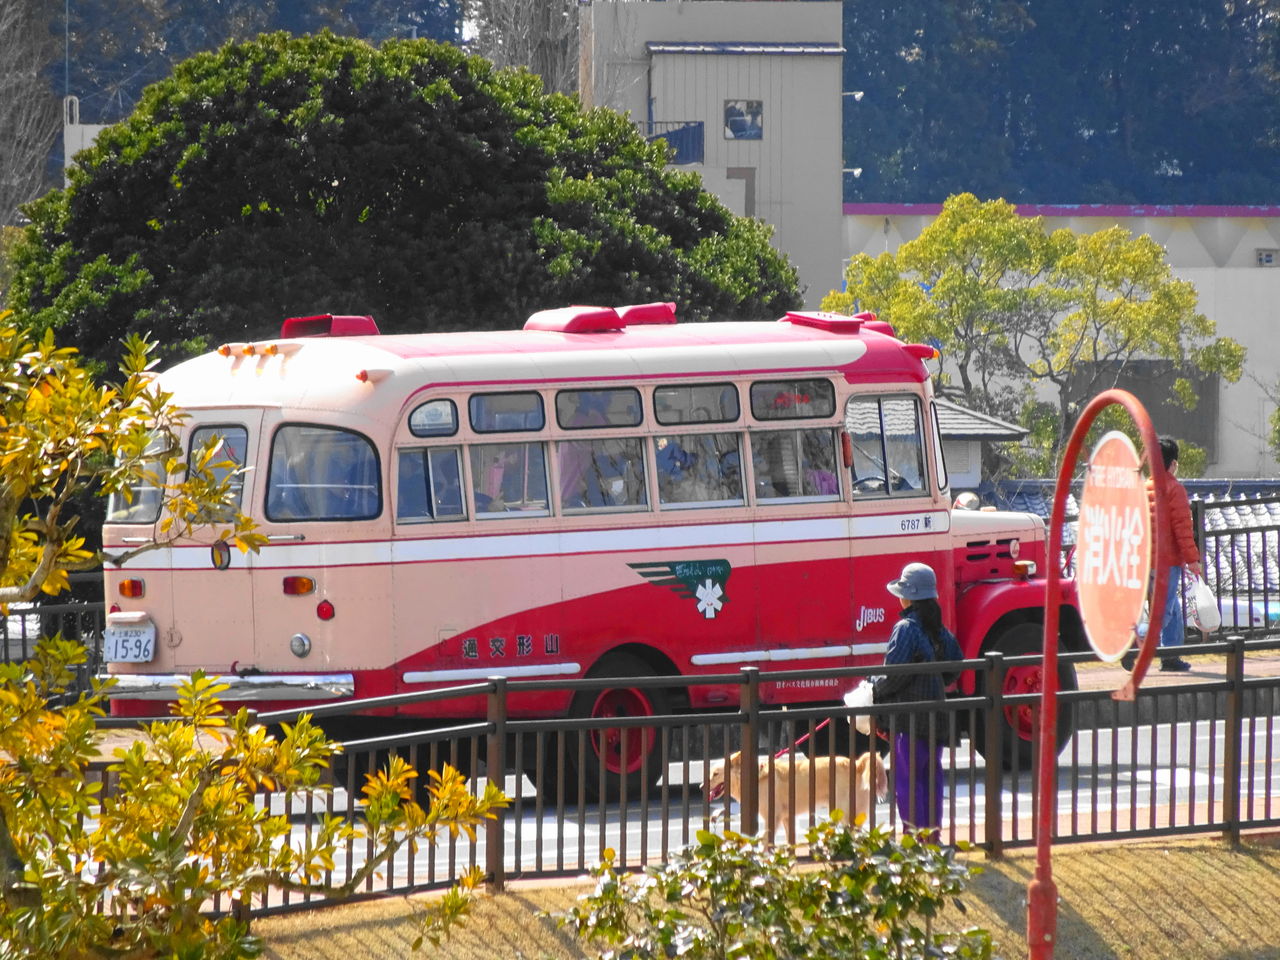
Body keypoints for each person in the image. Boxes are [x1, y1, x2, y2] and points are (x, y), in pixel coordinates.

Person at [873, 562, 963, 835]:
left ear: (908, 596)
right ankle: (932, 839)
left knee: (907, 782)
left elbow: (893, 675)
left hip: (909, 720)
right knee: (931, 779)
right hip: (936, 716)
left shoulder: (906, 628)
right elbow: (954, 666)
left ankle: (914, 842)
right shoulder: (940, 630)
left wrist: (873, 689)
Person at [1125, 436, 1202, 672]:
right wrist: (1193, 560)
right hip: (1166, 563)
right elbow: (1182, 529)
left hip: (1144, 562)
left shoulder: (1143, 487)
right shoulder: (1175, 489)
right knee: (1163, 613)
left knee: (1173, 609)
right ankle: (1133, 643)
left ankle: (1171, 656)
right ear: (1173, 464)